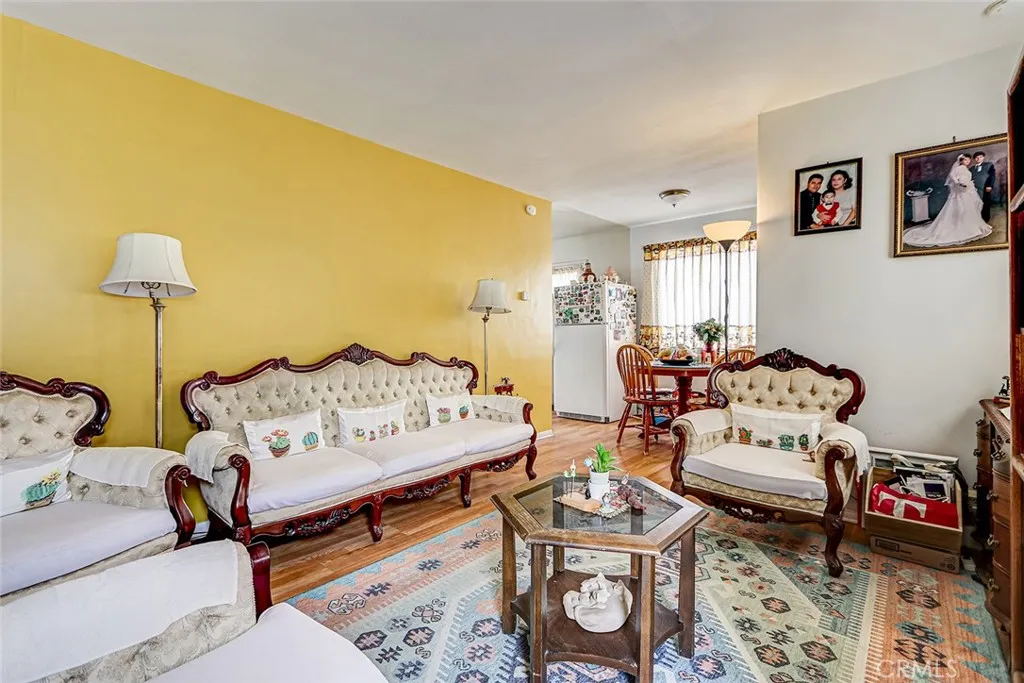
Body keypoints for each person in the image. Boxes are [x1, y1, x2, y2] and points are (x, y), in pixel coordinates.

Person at [902, 154, 992, 248]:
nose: (967, 161)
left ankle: (971, 227)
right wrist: (959, 184)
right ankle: (960, 228)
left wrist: (967, 185)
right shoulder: (958, 168)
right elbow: (952, 176)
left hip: (967, 191)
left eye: (968, 160)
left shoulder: (966, 169)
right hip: (960, 191)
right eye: (965, 160)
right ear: (961, 161)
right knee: (960, 209)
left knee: (968, 209)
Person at [970, 151, 996, 223]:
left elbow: (992, 176)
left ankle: (985, 220)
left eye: (980, 157)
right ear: (974, 159)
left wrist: (989, 185)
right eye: (977, 157)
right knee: (975, 203)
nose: (978, 158)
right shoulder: (971, 168)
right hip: (974, 189)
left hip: (985, 188)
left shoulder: (989, 165)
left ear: (983, 158)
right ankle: (977, 220)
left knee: (985, 203)